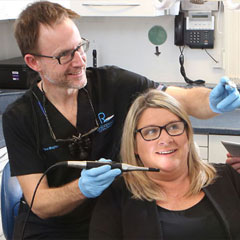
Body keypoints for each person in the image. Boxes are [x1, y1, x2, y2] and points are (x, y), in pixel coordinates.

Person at [2, 1, 240, 239]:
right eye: (64, 55)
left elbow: (182, 100)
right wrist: (81, 188)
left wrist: (211, 101)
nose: (79, 61)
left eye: (79, 47)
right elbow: (40, 203)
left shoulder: (114, 83)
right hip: (54, 228)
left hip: (117, 212)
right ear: (34, 62)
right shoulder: (19, 118)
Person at [90, 89, 240, 240]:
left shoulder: (228, 177)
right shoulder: (116, 196)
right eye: (151, 131)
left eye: (174, 127)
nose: (166, 139)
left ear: (187, 134)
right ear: (134, 145)